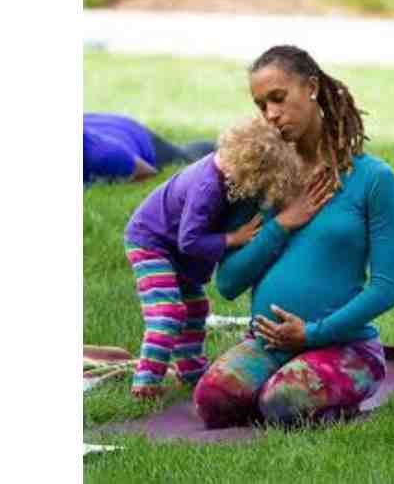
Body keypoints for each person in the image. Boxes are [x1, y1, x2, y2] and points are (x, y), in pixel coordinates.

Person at [193, 45, 394, 428]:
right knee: (212, 400)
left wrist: (311, 334)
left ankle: (319, 388)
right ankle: (283, 382)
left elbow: (385, 289)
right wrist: (283, 224)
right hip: (269, 344)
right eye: (261, 106)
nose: (271, 114)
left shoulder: (374, 178)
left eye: (278, 98)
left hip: (345, 346)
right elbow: (228, 283)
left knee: (283, 402)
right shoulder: (261, 178)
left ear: (311, 87)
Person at [123, 117, 305, 398]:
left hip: (174, 248)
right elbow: (189, 240)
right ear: (249, 170)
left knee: (196, 309)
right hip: (152, 242)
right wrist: (233, 238)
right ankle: (146, 383)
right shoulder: (207, 187)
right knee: (167, 313)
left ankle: (191, 371)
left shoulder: (224, 172)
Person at [83, 113, 216, 186]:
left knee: (186, 157)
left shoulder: (105, 155)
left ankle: (224, 144)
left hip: (137, 136)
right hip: (95, 124)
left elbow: (148, 173)